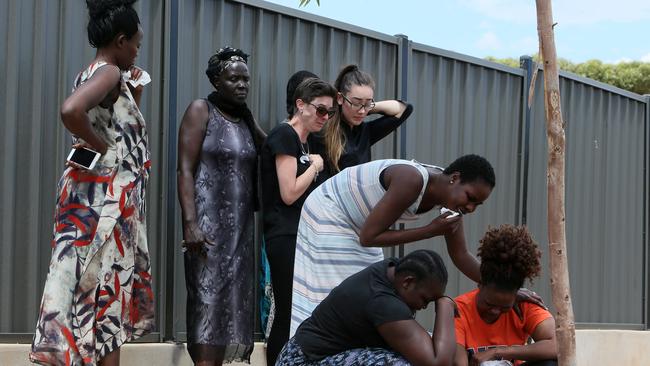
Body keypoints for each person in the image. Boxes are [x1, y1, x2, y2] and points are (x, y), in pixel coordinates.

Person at [30, 1, 153, 365]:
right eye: (136, 44)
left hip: (90, 201)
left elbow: (112, 121)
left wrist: (135, 93)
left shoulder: (96, 72)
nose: (136, 51)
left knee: (89, 300)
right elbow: (71, 111)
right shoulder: (110, 73)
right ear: (120, 41)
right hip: (103, 210)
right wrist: (102, 147)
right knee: (105, 306)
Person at [291, 155, 495, 335]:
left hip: (362, 224)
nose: (470, 208)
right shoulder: (412, 180)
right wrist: (429, 231)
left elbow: (461, 255)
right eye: (470, 198)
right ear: (455, 178)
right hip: (330, 211)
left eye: (477, 204)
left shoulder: (449, 200)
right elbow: (369, 238)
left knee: (368, 293)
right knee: (333, 295)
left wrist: (499, 286)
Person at [177, 46, 265, 366]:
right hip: (207, 234)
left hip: (239, 236)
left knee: (231, 310)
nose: (242, 85)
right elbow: (184, 169)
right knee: (207, 306)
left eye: (246, 80)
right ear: (217, 81)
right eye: (233, 79)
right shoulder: (202, 111)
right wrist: (190, 223)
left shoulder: (245, 122)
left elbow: (270, 150)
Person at [261, 77, 338, 365]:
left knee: (300, 309)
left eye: (329, 112)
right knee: (288, 309)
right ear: (300, 104)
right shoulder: (285, 135)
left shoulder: (305, 142)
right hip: (285, 235)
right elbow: (289, 193)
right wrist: (316, 166)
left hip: (301, 235)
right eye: (320, 110)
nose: (325, 117)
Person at [277, 249, 456, 366]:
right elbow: (439, 363)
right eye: (425, 300)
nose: (424, 307)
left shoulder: (392, 271)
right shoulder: (383, 302)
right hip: (302, 361)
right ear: (407, 282)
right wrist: (445, 305)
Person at [453, 225, 558, 366]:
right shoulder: (459, 309)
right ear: (480, 283)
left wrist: (498, 352)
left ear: (517, 294)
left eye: (504, 307)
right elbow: (457, 362)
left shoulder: (525, 305)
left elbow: (559, 345)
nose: (495, 311)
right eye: (489, 304)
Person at [321, 64, 413, 175]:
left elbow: (405, 109)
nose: (361, 111)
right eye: (355, 102)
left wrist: (367, 108)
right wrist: (364, 106)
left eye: (368, 102)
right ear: (340, 98)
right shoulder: (322, 129)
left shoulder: (365, 131)